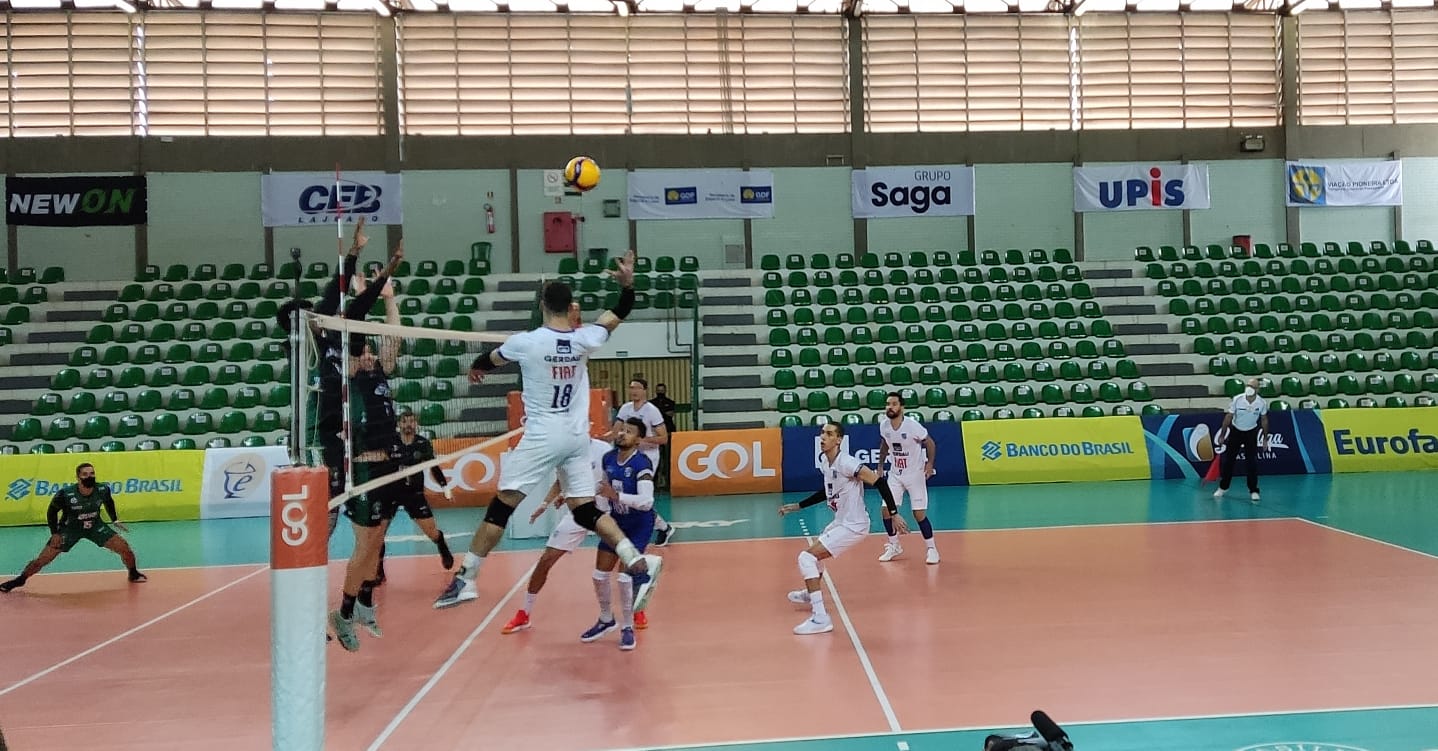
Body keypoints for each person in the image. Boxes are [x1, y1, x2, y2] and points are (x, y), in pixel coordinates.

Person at [434, 249, 662, 612]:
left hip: (542, 434)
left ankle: (467, 579)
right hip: (576, 436)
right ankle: (636, 562)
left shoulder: (524, 342)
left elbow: (489, 360)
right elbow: (617, 313)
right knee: (585, 510)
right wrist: (628, 284)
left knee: (501, 507)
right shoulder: (585, 338)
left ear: (542, 304)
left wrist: (477, 369)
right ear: (568, 306)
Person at [276, 218, 398, 538]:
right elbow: (334, 295)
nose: (319, 315)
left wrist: (379, 268)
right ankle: (312, 551)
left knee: (358, 496)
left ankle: (371, 560)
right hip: (321, 429)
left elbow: (351, 303)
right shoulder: (302, 347)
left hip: (347, 426)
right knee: (330, 498)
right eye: (310, 314)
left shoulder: (330, 338)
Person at [329, 261, 403, 651]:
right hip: (365, 468)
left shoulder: (379, 373)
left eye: (373, 351)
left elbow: (392, 339)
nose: (372, 354)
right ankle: (343, 612)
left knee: (378, 543)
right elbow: (359, 332)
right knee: (365, 544)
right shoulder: (352, 374)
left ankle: (364, 604)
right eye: (366, 350)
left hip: (389, 465)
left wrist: (390, 299)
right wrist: (365, 294)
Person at [778, 421, 905, 635]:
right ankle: (811, 593)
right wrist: (799, 505)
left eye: (828, 434)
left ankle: (820, 618)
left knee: (806, 558)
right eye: (822, 433)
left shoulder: (848, 463)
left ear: (839, 440)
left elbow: (880, 482)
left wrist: (893, 513)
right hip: (841, 521)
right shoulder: (827, 463)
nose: (823, 437)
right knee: (814, 556)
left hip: (854, 525)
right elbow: (827, 491)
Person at [500, 434, 621, 635]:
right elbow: (560, 480)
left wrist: (575, 494)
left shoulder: (604, 450)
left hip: (607, 513)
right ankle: (524, 613)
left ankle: (636, 612)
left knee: (624, 564)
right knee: (546, 559)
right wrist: (545, 503)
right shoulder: (567, 452)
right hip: (579, 514)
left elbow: (612, 482)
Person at [1, 463, 146, 592]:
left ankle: (133, 573)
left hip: (95, 525)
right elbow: (51, 512)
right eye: (85, 474)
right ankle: (20, 580)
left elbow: (109, 502)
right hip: (70, 529)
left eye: (92, 473)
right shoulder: (65, 494)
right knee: (43, 559)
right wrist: (55, 534)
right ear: (78, 477)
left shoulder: (102, 489)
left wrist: (115, 519)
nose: (89, 476)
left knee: (125, 549)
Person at [580, 417, 658, 650]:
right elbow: (603, 487)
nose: (622, 434)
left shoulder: (642, 464)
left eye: (629, 431)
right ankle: (606, 618)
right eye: (621, 430)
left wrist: (616, 496)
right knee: (599, 575)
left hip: (639, 524)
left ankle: (627, 627)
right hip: (617, 522)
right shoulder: (608, 459)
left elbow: (646, 501)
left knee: (624, 578)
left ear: (638, 440)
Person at [372, 407, 456, 586]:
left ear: (415, 423)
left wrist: (444, 486)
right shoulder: (390, 442)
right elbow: (377, 465)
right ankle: (379, 571)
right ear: (398, 424)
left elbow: (433, 466)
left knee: (431, 532)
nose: (408, 424)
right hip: (390, 492)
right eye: (404, 421)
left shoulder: (422, 443)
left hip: (414, 493)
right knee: (378, 534)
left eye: (411, 421)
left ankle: (441, 545)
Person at [876, 392, 940, 565]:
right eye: (888, 404)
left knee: (918, 514)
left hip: (915, 474)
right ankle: (894, 545)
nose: (890, 407)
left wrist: (929, 465)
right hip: (895, 474)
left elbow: (930, 443)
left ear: (902, 407)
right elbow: (884, 445)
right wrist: (881, 465)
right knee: (885, 510)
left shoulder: (912, 426)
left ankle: (932, 549)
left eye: (894, 404)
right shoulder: (884, 426)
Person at [613, 377, 675, 546]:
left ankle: (657, 528)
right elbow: (615, 431)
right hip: (628, 457)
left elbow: (663, 438)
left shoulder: (652, 411)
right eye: (631, 387)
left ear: (644, 390)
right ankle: (663, 527)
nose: (634, 391)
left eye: (637, 388)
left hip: (647, 458)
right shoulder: (625, 409)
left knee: (638, 496)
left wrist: (642, 440)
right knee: (629, 497)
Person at [1213, 376, 1270, 502]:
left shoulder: (1261, 403)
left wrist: (1265, 438)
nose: (1250, 389)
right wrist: (1222, 434)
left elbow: (1264, 420)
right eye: (1248, 386)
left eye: (1253, 387)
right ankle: (1223, 487)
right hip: (1236, 431)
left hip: (1251, 433)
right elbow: (1229, 416)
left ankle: (1253, 490)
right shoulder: (1237, 399)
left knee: (1251, 463)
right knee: (1229, 461)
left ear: (1257, 389)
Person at [650, 382, 679, 489]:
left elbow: (670, 414)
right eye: (659, 390)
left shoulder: (670, 402)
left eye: (662, 390)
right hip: (655, 435)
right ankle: (655, 482)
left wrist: (659, 413)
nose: (660, 392)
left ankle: (668, 482)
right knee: (655, 457)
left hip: (669, 432)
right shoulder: (651, 403)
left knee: (668, 458)